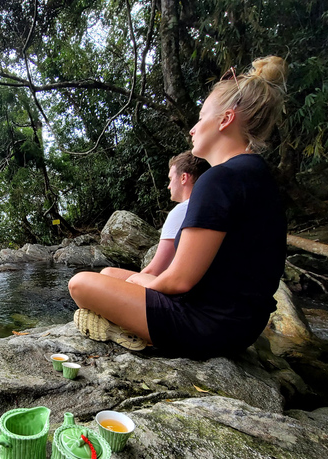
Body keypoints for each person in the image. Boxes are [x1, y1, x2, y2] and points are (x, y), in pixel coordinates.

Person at [69, 56, 288, 358]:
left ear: (225, 119)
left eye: (200, 118)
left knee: (81, 283)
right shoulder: (257, 175)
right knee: (109, 273)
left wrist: (140, 282)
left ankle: (128, 332)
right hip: (240, 326)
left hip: (206, 327)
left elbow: (180, 281)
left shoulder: (219, 179)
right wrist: (138, 281)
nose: (192, 129)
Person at [100, 150, 209, 282]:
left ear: (184, 178)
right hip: (198, 285)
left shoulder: (183, 210)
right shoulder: (210, 205)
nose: (168, 186)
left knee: (105, 275)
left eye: (170, 179)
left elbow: (155, 270)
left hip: (177, 290)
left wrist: (127, 287)